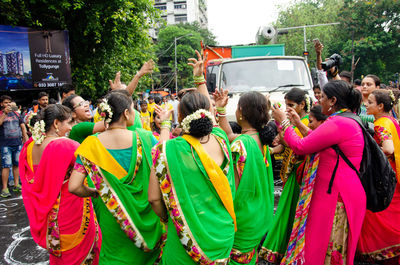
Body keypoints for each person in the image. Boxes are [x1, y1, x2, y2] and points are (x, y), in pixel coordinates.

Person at [272, 80, 366, 264]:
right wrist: (298, 123)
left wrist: (283, 121)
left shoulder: (339, 123)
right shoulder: (344, 119)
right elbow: (317, 140)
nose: (318, 101)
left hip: (337, 195)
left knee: (328, 247)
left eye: (322, 97)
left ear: (332, 100)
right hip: (337, 191)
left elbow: (301, 146)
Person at [69, 91, 165, 265]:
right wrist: (165, 126)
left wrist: (94, 192)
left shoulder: (90, 144)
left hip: (111, 216)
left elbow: (74, 186)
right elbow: (164, 157)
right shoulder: (145, 137)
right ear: (126, 113)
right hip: (148, 218)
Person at [149, 91, 236, 265]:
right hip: (222, 232)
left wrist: (165, 125)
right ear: (208, 113)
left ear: (180, 116)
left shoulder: (170, 150)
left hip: (185, 233)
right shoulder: (221, 139)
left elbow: (153, 198)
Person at [19, 104, 101, 264]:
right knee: (80, 255)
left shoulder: (29, 147)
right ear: (56, 123)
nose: (72, 128)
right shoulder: (65, 145)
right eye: (69, 123)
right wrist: (94, 191)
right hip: (71, 212)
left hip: (48, 215)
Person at [213, 89, 274, 265]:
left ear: (241, 113)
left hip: (242, 219)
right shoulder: (258, 139)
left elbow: (233, 188)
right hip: (257, 216)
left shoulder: (241, 145)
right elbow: (230, 135)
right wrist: (221, 111)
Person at [259, 87, 311, 264]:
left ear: (302, 105)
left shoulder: (305, 122)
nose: (288, 109)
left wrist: (283, 131)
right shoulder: (295, 120)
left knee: (289, 211)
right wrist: (266, 152)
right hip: (291, 174)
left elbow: (295, 144)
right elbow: (284, 145)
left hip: (299, 174)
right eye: (287, 105)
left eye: (291, 105)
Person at [358, 89, 400, 263]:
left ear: (380, 106)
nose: (366, 105)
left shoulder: (381, 124)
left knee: (382, 213)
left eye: (370, 103)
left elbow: (388, 149)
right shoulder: (393, 120)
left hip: (384, 174)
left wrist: (372, 153)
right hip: (393, 172)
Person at [0, 95, 28, 197]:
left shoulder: (16, 114)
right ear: (1, 104)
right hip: (5, 144)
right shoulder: (0, 114)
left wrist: (25, 138)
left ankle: (17, 184)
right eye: (6, 102)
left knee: (16, 165)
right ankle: (5, 188)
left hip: (17, 143)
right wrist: (4, 114)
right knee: (6, 166)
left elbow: (22, 126)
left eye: (9, 102)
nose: (8, 104)